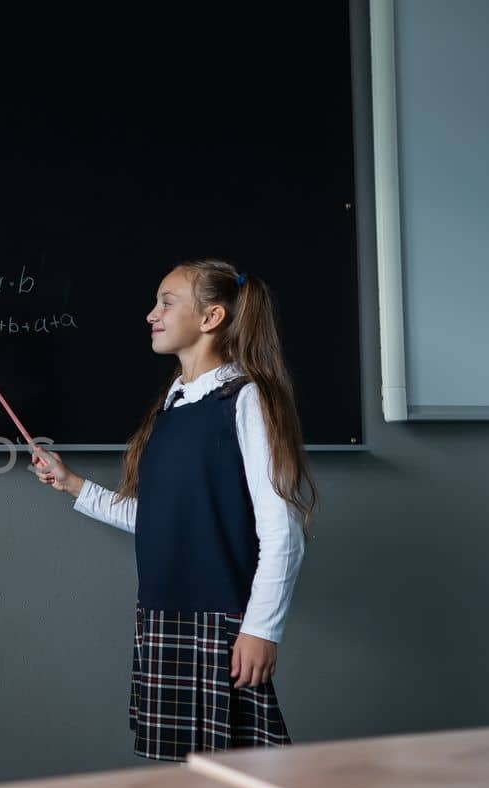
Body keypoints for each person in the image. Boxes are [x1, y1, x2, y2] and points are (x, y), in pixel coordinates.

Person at [31, 259, 316, 762]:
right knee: (184, 783)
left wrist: (260, 629)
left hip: (221, 621)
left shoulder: (246, 400)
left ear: (211, 318)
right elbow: (161, 520)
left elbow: (283, 530)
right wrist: (72, 484)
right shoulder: (174, 402)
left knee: (241, 781)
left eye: (166, 302)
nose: (150, 315)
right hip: (163, 614)